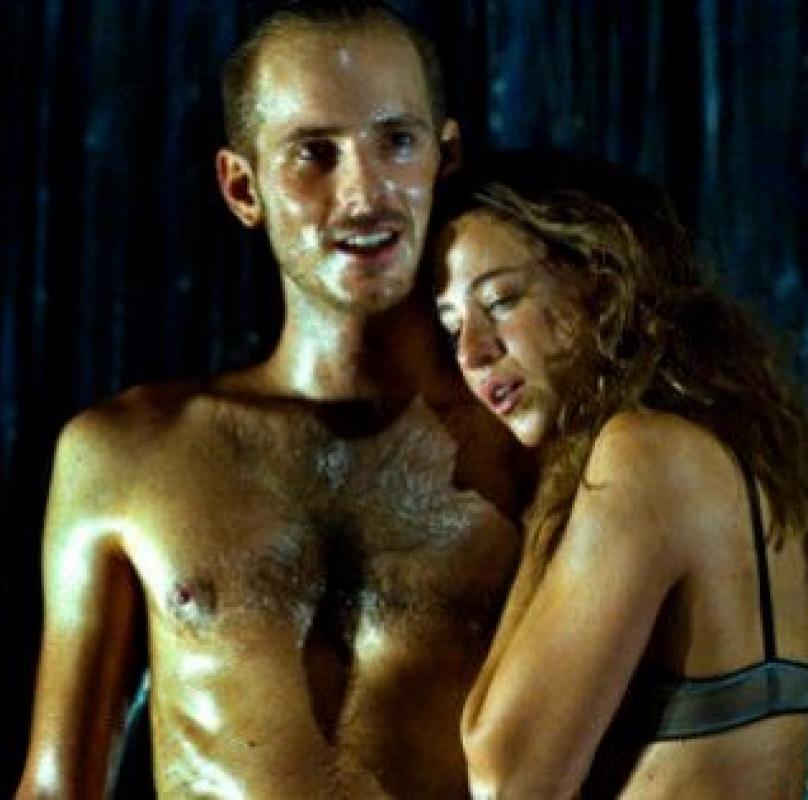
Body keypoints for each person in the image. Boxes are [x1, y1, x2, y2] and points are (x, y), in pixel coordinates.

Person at [17, 3, 523, 797]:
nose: (364, 192)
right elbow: (57, 788)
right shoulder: (125, 454)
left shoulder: (528, 449)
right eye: (314, 153)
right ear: (242, 187)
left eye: (396, 141)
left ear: (444, 157)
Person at [432, 153, 808, 797]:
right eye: (452, 325)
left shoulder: (641, 455)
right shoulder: (744, 459)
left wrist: (551, 499)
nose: (472, 352)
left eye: (501, 301)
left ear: (600, 284)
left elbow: (508, 779)